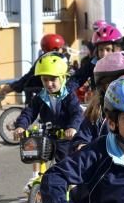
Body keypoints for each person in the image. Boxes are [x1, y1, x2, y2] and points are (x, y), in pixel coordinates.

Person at [13, 53, 83, 185]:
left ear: (62, 78)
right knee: (35, 149)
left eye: (53, 79)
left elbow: (76, 113)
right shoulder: (41, 96)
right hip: (48, 135)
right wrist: (21, 126)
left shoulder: (69, 96)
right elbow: (29, 112)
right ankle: (36, 177)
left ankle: (72, 187)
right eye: (45, 80)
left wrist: (72, 128)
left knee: (65, 164)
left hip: (65, 137)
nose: (49, 84)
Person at [0, 33, 68, 107]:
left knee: (10, 87)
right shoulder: (45, 61)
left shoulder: (54, 58)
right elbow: (31, 75)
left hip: (35, 82)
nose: (62, 49)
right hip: (31, 83)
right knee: (9, 88)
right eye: (60, 47)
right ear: (54, 48)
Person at [67, 24, 123, 92]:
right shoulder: (92, 64)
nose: (104, 54)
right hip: (99, 99)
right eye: (101, 50)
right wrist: (66, 90)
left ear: (116, 50)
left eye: (108, 49)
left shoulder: (123, 64)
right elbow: (77, 78)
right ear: (97, 51)